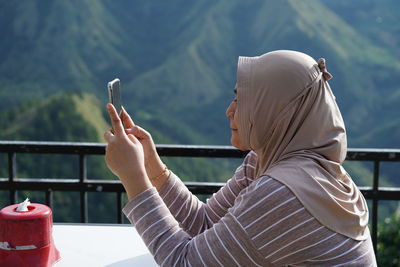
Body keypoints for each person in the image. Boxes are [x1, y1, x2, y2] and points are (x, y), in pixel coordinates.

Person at [104, 50, 377, 266]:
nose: (230, 110)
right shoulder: (267, 163)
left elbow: (184, 262)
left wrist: (134, 178)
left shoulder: (285, 193)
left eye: (243, 100)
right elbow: (205, 224)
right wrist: (152, 167)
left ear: (276, 110)